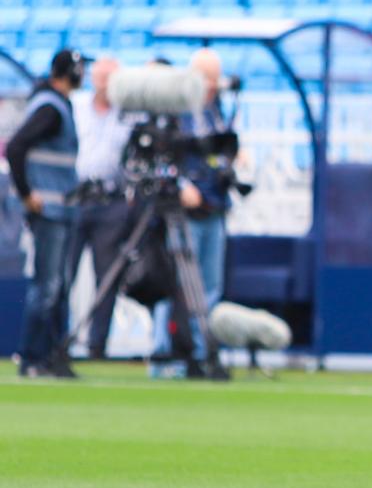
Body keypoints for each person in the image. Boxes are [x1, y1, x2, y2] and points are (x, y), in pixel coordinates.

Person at [149, 49, 232, 379]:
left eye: (215, 79)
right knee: (176, 284)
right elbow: (161, 157)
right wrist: (181, 185)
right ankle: (163, 353)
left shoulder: (217, 111)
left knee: (210, 287)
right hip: (184, 213)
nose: (211, 85)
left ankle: (202, 352)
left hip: (215, 208)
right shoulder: (176, 110)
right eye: (206, 78)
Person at [4, 49, 86, 378]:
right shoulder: (50, 108)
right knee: (48, 285)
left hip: (61, 208)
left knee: (57, 285)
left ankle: (52, 355)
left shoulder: (56, 104)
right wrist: (27, 194)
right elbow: (15, 147)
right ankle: (34, 357)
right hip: (49, 210)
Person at [68, 56, 133, 360]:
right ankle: (55, 342)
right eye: (100, 77)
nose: (105, 84)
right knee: (63, 273)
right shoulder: (76, 106)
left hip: (111, 202)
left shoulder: (129, 114)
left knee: (106, 277)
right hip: (76, 198)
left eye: (111, 78)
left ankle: (97, 346)